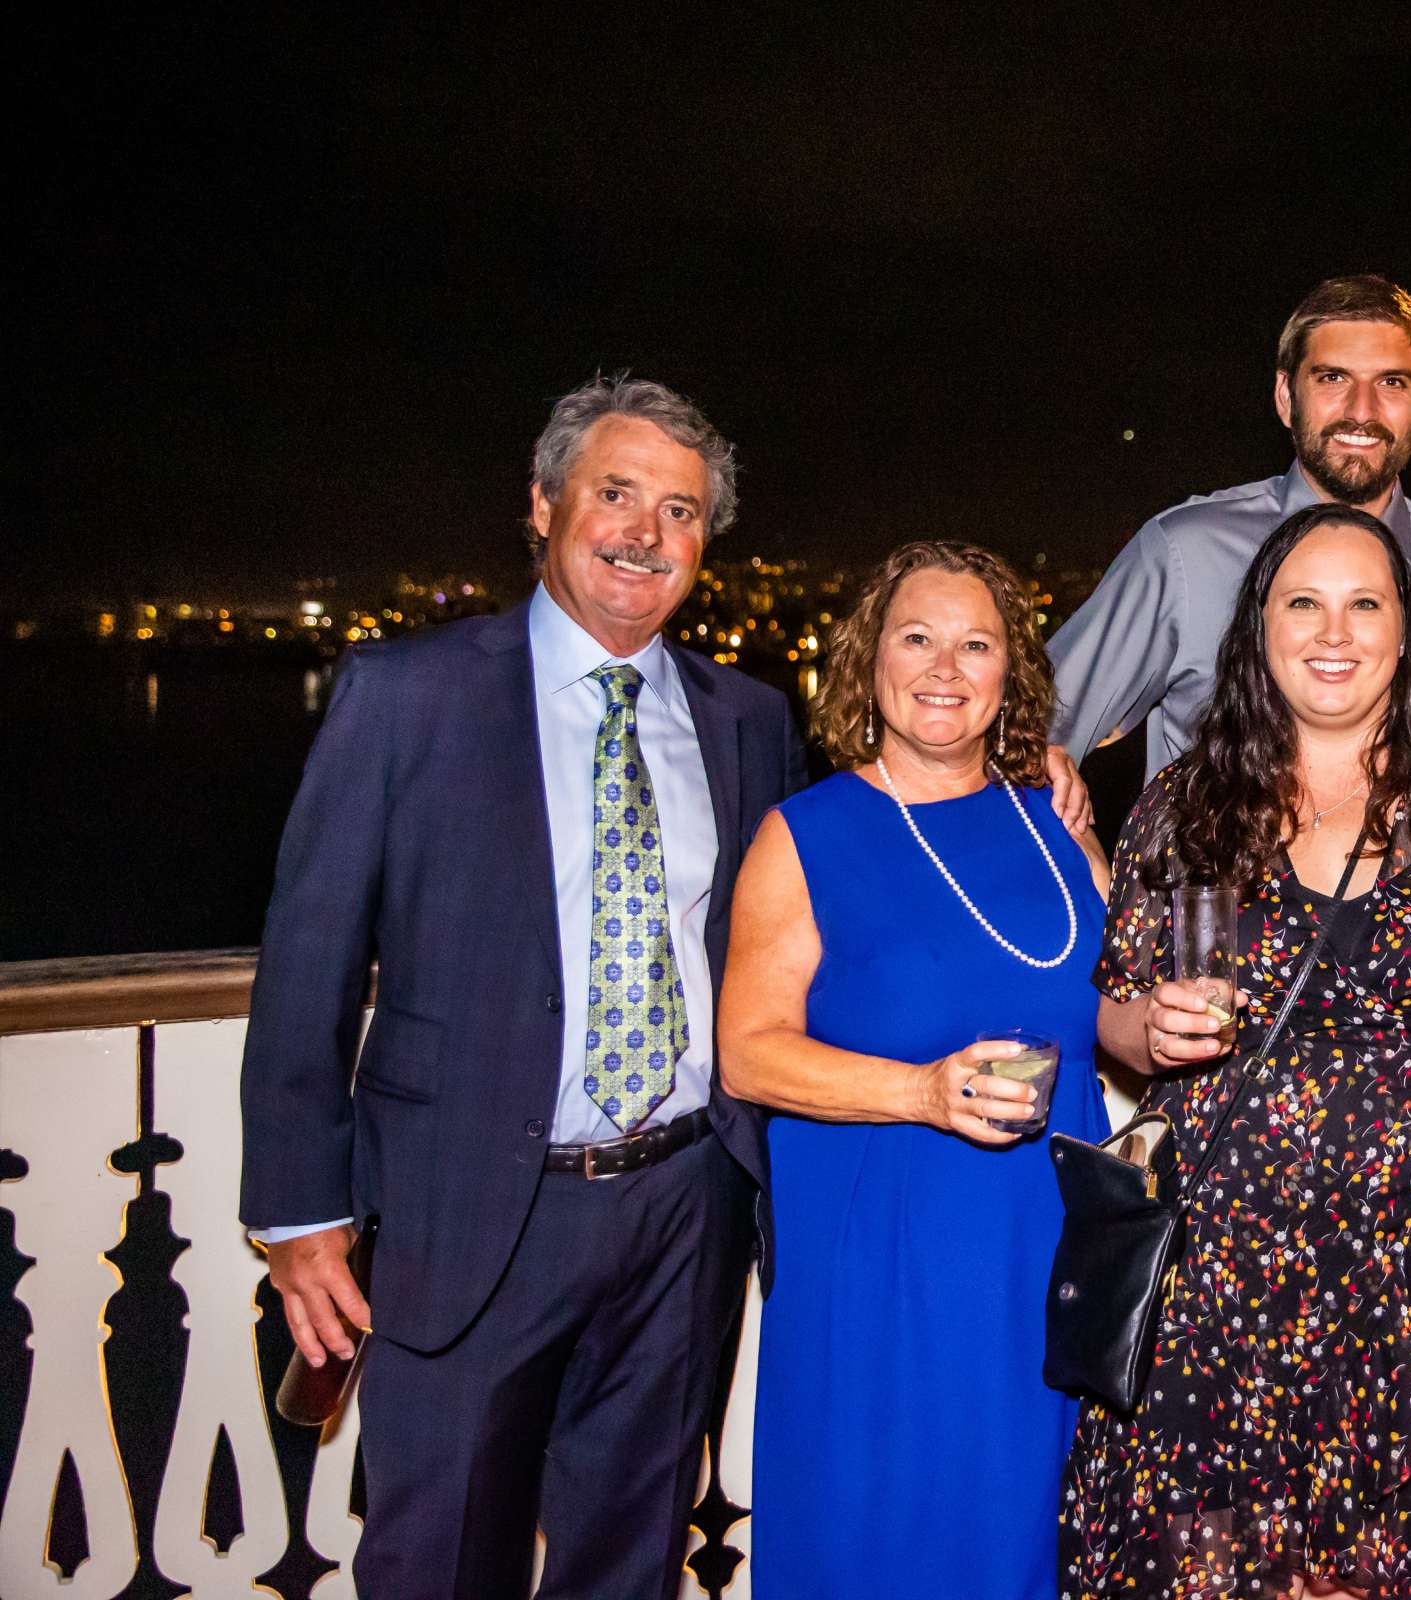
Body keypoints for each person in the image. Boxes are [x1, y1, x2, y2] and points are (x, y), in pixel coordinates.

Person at [239, 375, 802, 1597]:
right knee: (440, 1560)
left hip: (683, 1209)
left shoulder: (750, 720)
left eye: (683, 512)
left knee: (629, 1558)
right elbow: (309, 962)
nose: (647, 533)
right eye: (617, 494)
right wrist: (296, 1214)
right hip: (465, 1212)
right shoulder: (406, 695)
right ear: (543, 505)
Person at [1061, 502, 1411, 1598]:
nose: (1334, 630)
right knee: (1216, 1570)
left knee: (1398, 1568)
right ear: (1257, 628)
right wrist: (1151, 1026)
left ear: (1405, 630)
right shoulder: (1187, 805)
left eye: (1364, 603)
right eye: (1302, 602)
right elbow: (1114, 1009)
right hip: (1223, 1270)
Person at [715, 540, 1111, 1600]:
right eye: (918, 637)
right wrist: (921, 1092)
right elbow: (747, 1053)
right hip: (885, 1268)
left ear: (1009, 674)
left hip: (1047, 1260)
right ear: (869, 661)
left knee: (1031, 1540)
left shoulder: (1056, 819)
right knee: (885, 1538)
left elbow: (1106, 1009)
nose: (946, 666)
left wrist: (1162, 1021)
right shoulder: (806, 834)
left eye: (976, 642)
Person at [1048, 273, 1411, 779]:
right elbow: (1027, 738)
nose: (1361, 411)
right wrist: (1087, 853)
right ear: (1286, 397)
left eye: (1391, 383)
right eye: (1333, 378)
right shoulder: (1183, 554)